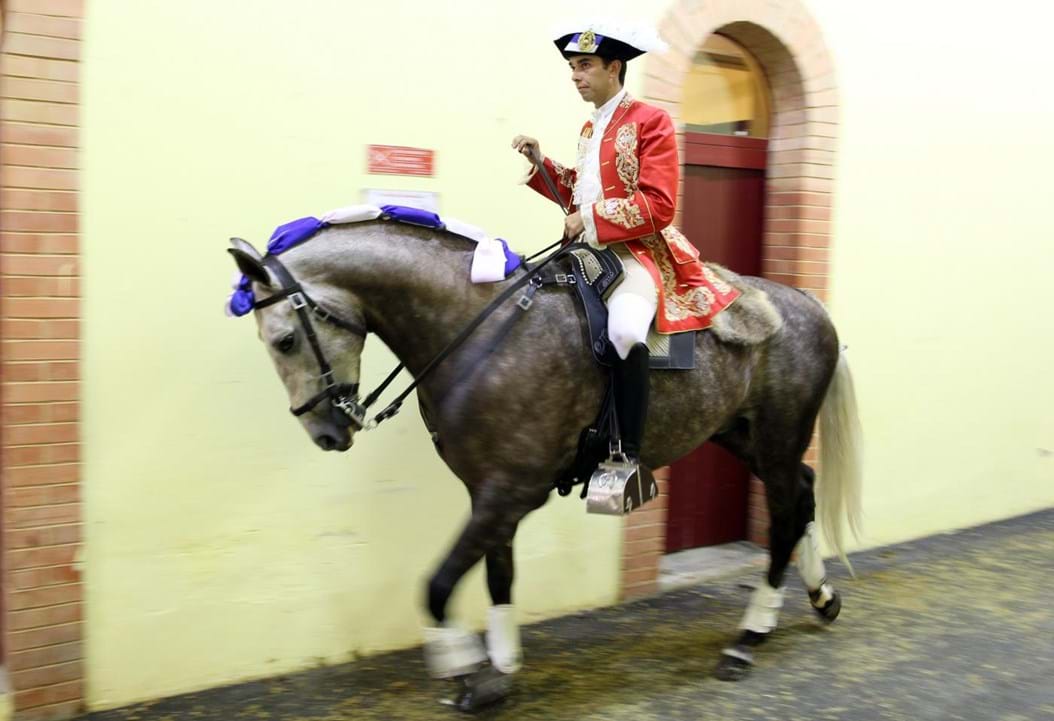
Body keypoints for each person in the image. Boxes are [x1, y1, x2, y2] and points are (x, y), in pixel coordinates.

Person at [513, 22, 739, 472]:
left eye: (584, 66)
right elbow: (581, 191)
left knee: (625, 331)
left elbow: (659, 204)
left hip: (636, 254)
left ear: (613, 67)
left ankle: (627, 454)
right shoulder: (589, 128)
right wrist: (541, 162)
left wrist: (591, 218)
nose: (575, 76)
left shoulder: (650, 121)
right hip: (586, 254)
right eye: (572, 68)